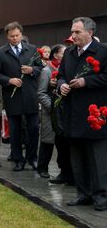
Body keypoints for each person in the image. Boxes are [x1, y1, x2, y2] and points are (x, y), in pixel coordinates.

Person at [58, 17, 107, 211]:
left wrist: (86, 82)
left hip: (95, 114)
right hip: (73, 113)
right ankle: (83, 193)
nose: (73, 35)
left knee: (98, 159)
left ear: (90, 32)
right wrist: (61, 84)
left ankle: (101, 196)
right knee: (77, 158)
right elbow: (61, 74)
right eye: (72, 31)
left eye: (77, 32)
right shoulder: (69, 53)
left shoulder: (103, 51)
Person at [0, 22, 42, 171]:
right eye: (11, 36)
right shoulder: (1, 52)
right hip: (12, 97)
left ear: (21, 34)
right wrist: (9, 80)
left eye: (17, 35)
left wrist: (32, 69)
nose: (15, 38)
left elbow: (40, 67)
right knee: (15, 130)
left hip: (30, 96)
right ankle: (17, 159)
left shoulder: (32, 49)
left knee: (33, 128)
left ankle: (32, 158)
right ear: (7, 36)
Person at [36, 44, 73, 181]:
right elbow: (41, 93)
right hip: (50, 112)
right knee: (47, 141)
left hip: (63, 113)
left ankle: (63, 172)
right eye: (63, 53)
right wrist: (52, 108)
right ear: (56, 54)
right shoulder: (46, 71)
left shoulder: (66, 69)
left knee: (61, 144)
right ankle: (42, 168)